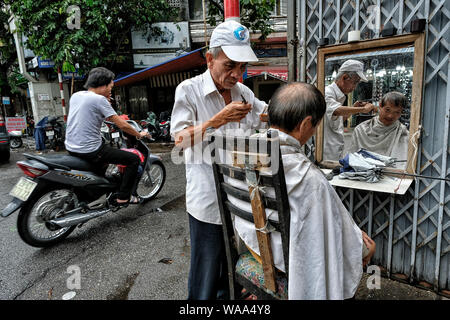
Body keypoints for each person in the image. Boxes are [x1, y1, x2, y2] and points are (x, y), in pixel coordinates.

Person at [232, 82, 376, 299]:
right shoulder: (308, 177)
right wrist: (360, 243)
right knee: (363, 249)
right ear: (306, 123)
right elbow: (330, 238)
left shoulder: (244, 151)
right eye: (316, 125)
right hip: (282, 261)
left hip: (254, 247)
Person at [170, 20, 267, 300]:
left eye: (242, 67)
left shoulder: (243, 92)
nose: (237, 74)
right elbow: (179, 140)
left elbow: (264, 115)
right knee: (206, 274)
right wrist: (216, 120)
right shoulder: (188, 90)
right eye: (230, 66)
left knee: (232, 268)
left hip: (241, 201)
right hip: (208, 201)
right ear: (210, 59)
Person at [65, 67, 149, 206]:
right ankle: (123, 197)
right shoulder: (99, 100)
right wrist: (139, 134)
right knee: (133, 160)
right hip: (90, 150)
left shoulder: (76, 95)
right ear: (103, 84)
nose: (111, 89)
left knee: (102, 165)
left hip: (72, 147)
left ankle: (91, 195)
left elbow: (89, 114)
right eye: (111, 85)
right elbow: (122, 125)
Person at [323, 59, 378, 161]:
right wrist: (362, 109)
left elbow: (336, 121)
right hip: (325, 153)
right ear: (344, 78)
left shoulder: (339, 96)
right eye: (355, 83)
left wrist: (353, 108)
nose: (354, 87)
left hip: (335, 151)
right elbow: (336, 110)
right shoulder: (327, 92)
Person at [349, 91, 409, 164]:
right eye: (387, 110)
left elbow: (402, 163)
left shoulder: (402, 133)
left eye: (397, 112)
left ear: (401, 112)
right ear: (380, 106)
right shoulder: (361, 129)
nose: (390, 116)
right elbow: (352, 158)